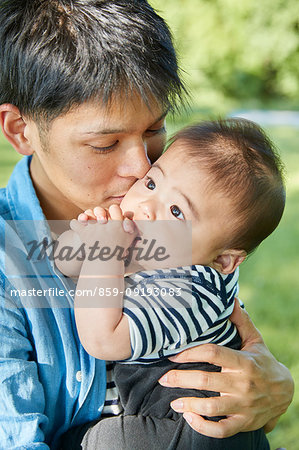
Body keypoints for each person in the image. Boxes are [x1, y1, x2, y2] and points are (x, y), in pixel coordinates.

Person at [0, 0, 293, 448]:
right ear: (20, 129)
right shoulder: (9, 259)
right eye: (106, 143)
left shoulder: (165, 219)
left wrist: (268, 386)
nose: (141, 168)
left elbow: (217, 337)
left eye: (154, 130)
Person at [58, 118, 284, 449]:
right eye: (151, 184)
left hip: (193, 428)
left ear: (222, 260)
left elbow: (104, 339)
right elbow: (65, 264)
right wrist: (90, 242)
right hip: (170, 422)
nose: (147, 208)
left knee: (98, 441)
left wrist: (103, 254)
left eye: (176, 211)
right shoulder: (164, 252)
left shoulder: (191, 289)